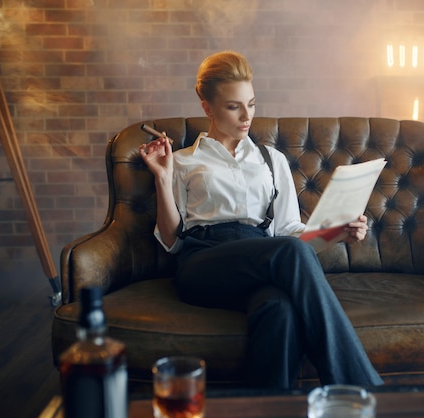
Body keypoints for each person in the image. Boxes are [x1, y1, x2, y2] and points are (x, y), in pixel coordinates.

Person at [139, 50, 383, 389]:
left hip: (261, 260)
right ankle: (365, 390)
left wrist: (338, 233)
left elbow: (287, 231)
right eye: (233, 106)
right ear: (207, 106)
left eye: (251, 104)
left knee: (279, 309)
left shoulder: (272, 160)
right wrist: (162, 178)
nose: (246, 116)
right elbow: (171, 241)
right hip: (203, 263)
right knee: (288, 253)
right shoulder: (181, 161)